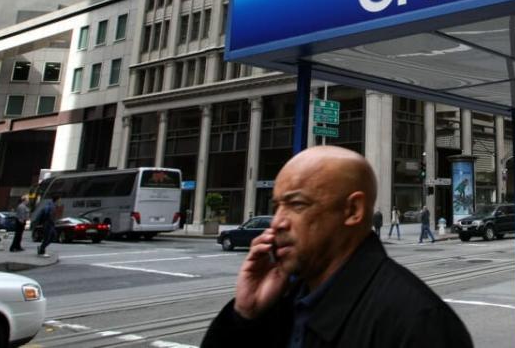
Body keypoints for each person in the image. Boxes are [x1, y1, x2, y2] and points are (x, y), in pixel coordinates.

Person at [201, 146, 472, 347]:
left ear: (353, 210)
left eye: (297, 204)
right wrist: (243, 314)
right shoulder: (278, 300)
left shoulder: (420, 325)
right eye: (276, 206)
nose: (277, 223)